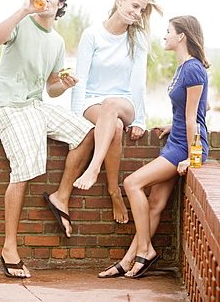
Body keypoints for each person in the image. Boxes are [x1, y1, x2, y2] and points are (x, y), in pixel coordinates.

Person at [0, 0, 95, 279]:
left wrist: (65, 83)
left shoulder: (57, 42)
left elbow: (51, 89)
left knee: (87, 131)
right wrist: (22, 11)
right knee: (24, 169)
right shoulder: (21, 22)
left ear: (60, 4)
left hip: (36, 106)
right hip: (8, 106)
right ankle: (9, 247)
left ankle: (61, 196)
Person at [98, 15, 210, 278]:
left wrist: (193, 158)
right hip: (177, 139)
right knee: (156, 203)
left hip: (185, 147)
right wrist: (174, 125)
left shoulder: (193, 68)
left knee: (132, 183)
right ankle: (128, 260)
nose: (164, 35)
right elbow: (196, 108)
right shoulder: (183, 67)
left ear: (181, 36)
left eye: (168, 31)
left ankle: (145, 250)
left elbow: (195, 117)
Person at [71, 0, 163, 224]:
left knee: (111, 105)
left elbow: (138, 83)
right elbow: (80, 80)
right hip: (92, 101)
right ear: (120, 0)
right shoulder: (92, 35)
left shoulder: (138, 37)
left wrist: (140, 119)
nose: (137, 13)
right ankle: (114, 191)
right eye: (135, 6)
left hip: (124, 103)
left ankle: (93, 169)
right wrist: (73, 116)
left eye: (142, 10)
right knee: (114, 127)